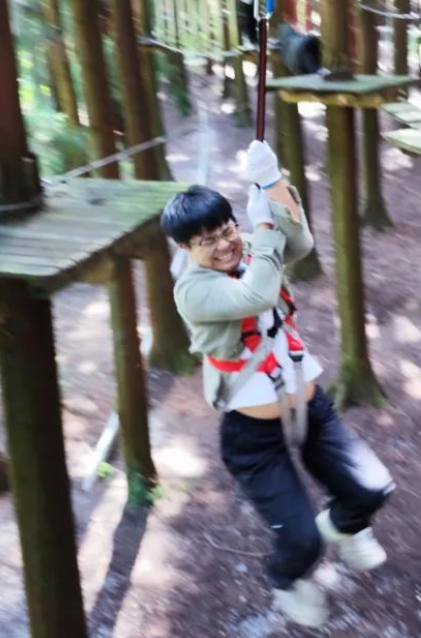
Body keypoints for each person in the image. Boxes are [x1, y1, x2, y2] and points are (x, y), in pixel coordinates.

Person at [161, 140, 394, 628]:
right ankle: (287, 578)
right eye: (207, 240)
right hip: (254, 435)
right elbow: (258, 293)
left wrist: (272, 184)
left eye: (228, 229)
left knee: (370, 490)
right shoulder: (193, 290)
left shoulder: (252, 249)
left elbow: (300, 245)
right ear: (186, 248)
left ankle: (345, 526)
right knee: (300, 540)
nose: (225, 244)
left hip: (310, 407)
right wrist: (263, 229)